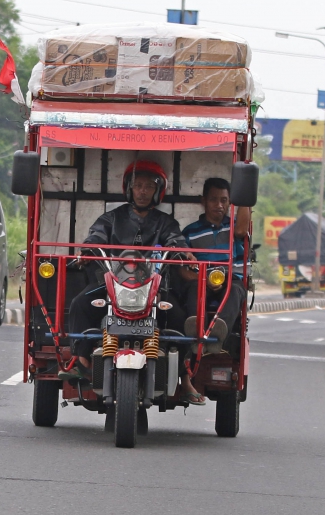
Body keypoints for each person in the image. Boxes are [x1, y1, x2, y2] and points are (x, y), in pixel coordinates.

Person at [59, 161, 203, 403]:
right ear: (129, 188)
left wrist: (182, 251)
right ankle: (81, 360)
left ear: (158, 191)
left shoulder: (165, 222)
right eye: (138, 186)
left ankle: (185, 376)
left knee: (180, 318)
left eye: (148, 186)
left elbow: (175, 240)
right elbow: (95, 236)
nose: (143, 191)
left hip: (154, 288)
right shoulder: (111, 218)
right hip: (112, 285)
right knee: (79, 304)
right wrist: (87, 251)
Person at [180, 177, 251, 352]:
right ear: (203, 201)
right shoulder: (190, 232)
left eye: (224, 200)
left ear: (229, 203)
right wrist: (204, 279)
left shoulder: (234, 227)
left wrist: (245, 196)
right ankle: (196, 334)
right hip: (203, 279)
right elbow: (184, 272)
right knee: (194, 287)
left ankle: (218, 335)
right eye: (213, 199)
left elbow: (242, 230)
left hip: (230, 279)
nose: (219, 205)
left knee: (236, 289)